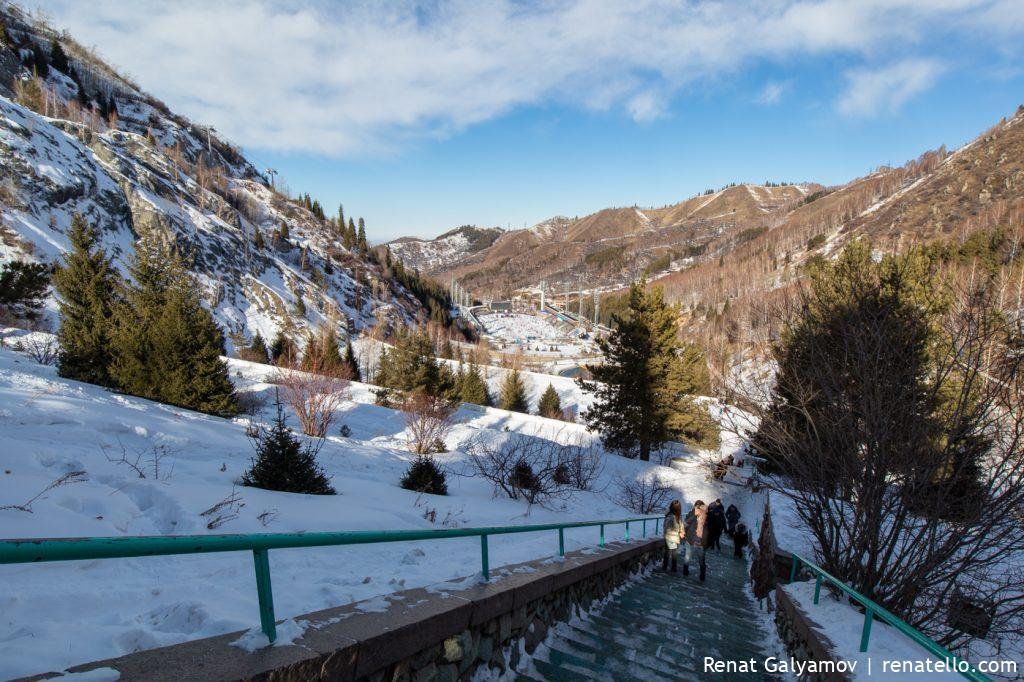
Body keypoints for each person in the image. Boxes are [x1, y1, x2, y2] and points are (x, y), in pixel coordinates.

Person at [683, 500, 710, 581]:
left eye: (699, 507)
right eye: (696, 507)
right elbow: (685, 524)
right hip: (690, 540)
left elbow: (713, 529)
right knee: (687, 557)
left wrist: (709, 542)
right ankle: (685, 572)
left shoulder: (708, 516)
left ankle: (702, 576)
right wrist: (694, 515)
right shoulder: (691, 514)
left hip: (702, 543)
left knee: (701, 560)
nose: (697, 508)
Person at [662, 500, 683, 572]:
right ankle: (671, 568)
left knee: (670, 552)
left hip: (672, 536)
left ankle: (668, 567)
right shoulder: (672, 516)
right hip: (671, 536)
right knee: (671, 552)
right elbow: (666, 526)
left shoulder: (674, 515)